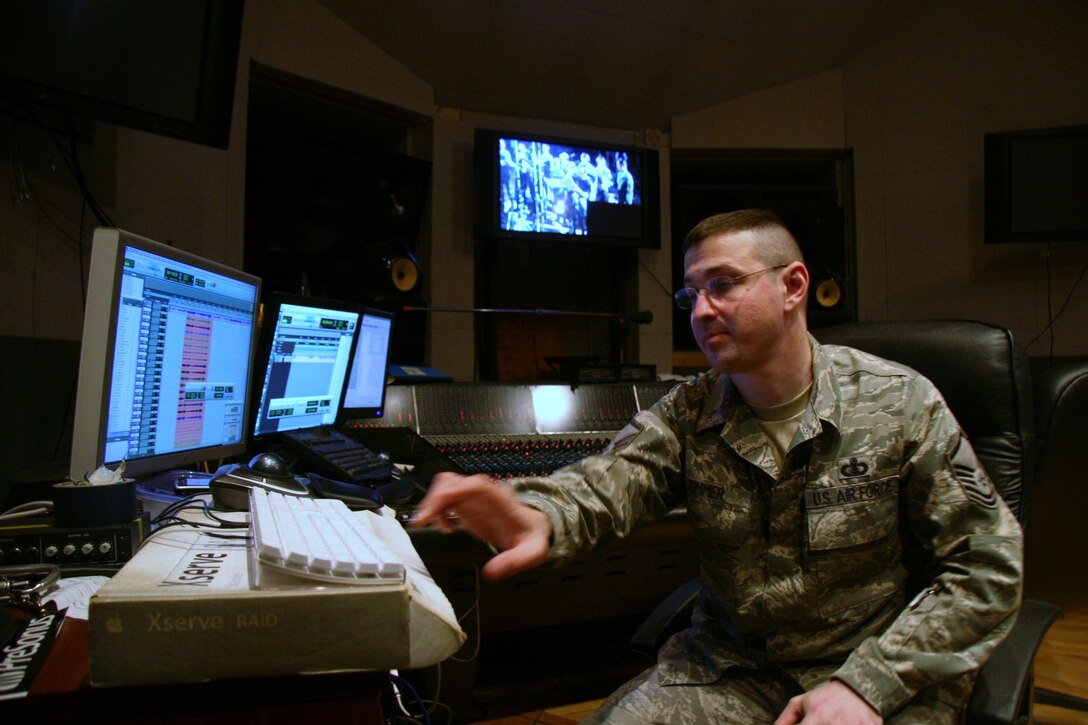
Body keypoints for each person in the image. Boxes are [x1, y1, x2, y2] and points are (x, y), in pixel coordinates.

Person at [412, 209, 1023, 724]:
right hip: (731, 668)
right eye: (690, 293)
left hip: (873, 666)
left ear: (793, 286)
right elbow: (605, 484)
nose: (701, 310)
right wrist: (535, 514)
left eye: (723, 284)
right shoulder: (689, 410)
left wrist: (870, 684)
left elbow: (986, 568)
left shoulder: (901, 401)